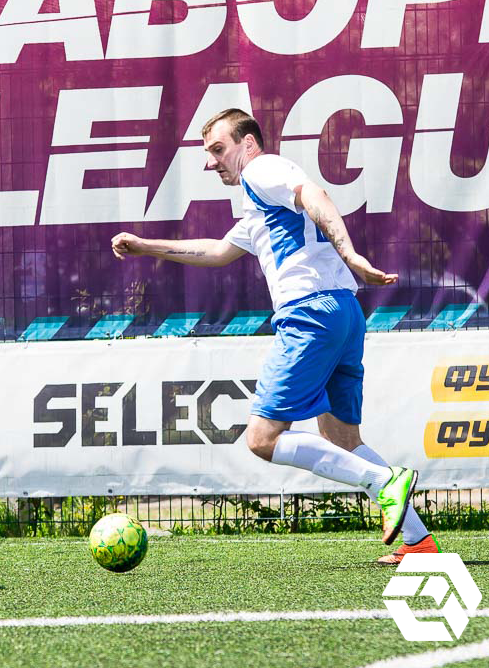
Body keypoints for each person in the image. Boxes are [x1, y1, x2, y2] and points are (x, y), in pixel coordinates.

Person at [112, 109, 438, 563]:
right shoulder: (260, 205)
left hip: (309, 314)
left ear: (247, 144)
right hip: (342, 313)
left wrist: (350, 254)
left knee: (262, 439)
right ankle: (418, 542)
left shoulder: (261, 169)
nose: (211, 162)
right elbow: (218, 251)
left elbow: (314, 193)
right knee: (342, 439)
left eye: (218, 149)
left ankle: (385, 482)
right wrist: (145, 246)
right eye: (208, 153)